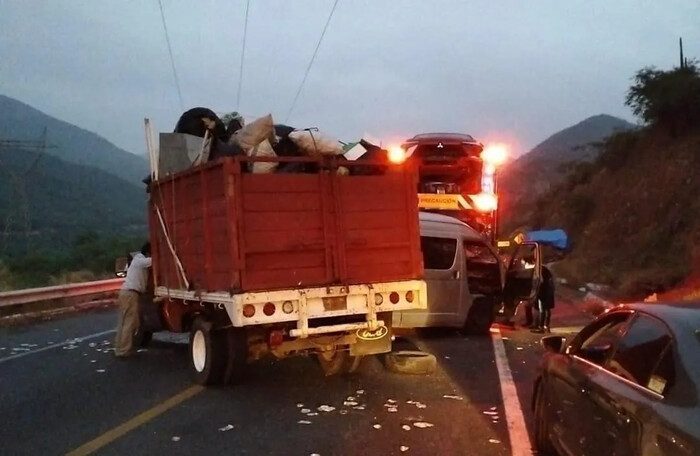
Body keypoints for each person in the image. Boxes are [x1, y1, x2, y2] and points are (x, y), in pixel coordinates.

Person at [114, 242, 152, 358]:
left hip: (126, 293)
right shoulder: (139, 260)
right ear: (148, 253)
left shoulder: (136, 261)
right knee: (129, 323)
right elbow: (155, 261)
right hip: (131, 293)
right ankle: (123, 351)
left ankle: (119, 348)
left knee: (124, 322)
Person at [531, 266, 555, 333]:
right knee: (547, 309)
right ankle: (546, 326)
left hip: (543, 292)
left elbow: (540, 281)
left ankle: (541, 327)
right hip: (548, 291)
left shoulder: (540, 270)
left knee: (542, 310)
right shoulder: (545, 270)